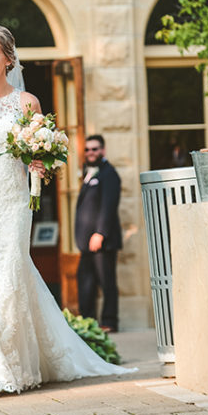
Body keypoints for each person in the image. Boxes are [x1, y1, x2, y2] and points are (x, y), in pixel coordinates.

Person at [0, 25, 133, 400]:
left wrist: (40, 164)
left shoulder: (28, 103)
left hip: (13, 200)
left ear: (9, 58)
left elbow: (36, 159)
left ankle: (11, 365)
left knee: (10, 273)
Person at [75, 134, 122, 333]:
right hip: (87, 242)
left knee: (106, 282)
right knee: (85, 282)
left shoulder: (109, 173)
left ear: (102, 150)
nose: (90, 152)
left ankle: (109, 322)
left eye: (94, 149)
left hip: (102, 240)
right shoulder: (89, 172)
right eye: (87, 149)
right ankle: (88, 322)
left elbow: (108, 205)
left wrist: (100, 233)